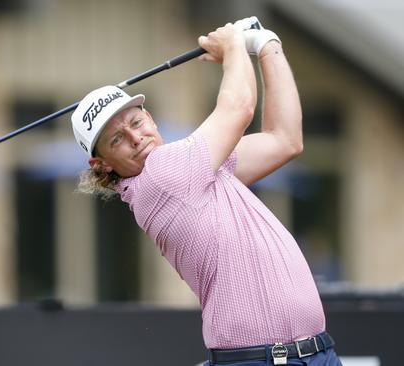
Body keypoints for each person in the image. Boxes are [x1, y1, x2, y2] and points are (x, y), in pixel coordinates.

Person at [70, 17, 342, 366]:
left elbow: (285, 139)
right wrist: (233, 46)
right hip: (259, 360)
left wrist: (266, 47)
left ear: (149, 118)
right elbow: (239, 108)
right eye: (117, 139)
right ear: (102, 164)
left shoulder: (201, 171)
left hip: (317, 353)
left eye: (136, 122)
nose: (136, 138)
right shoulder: (161, 174)